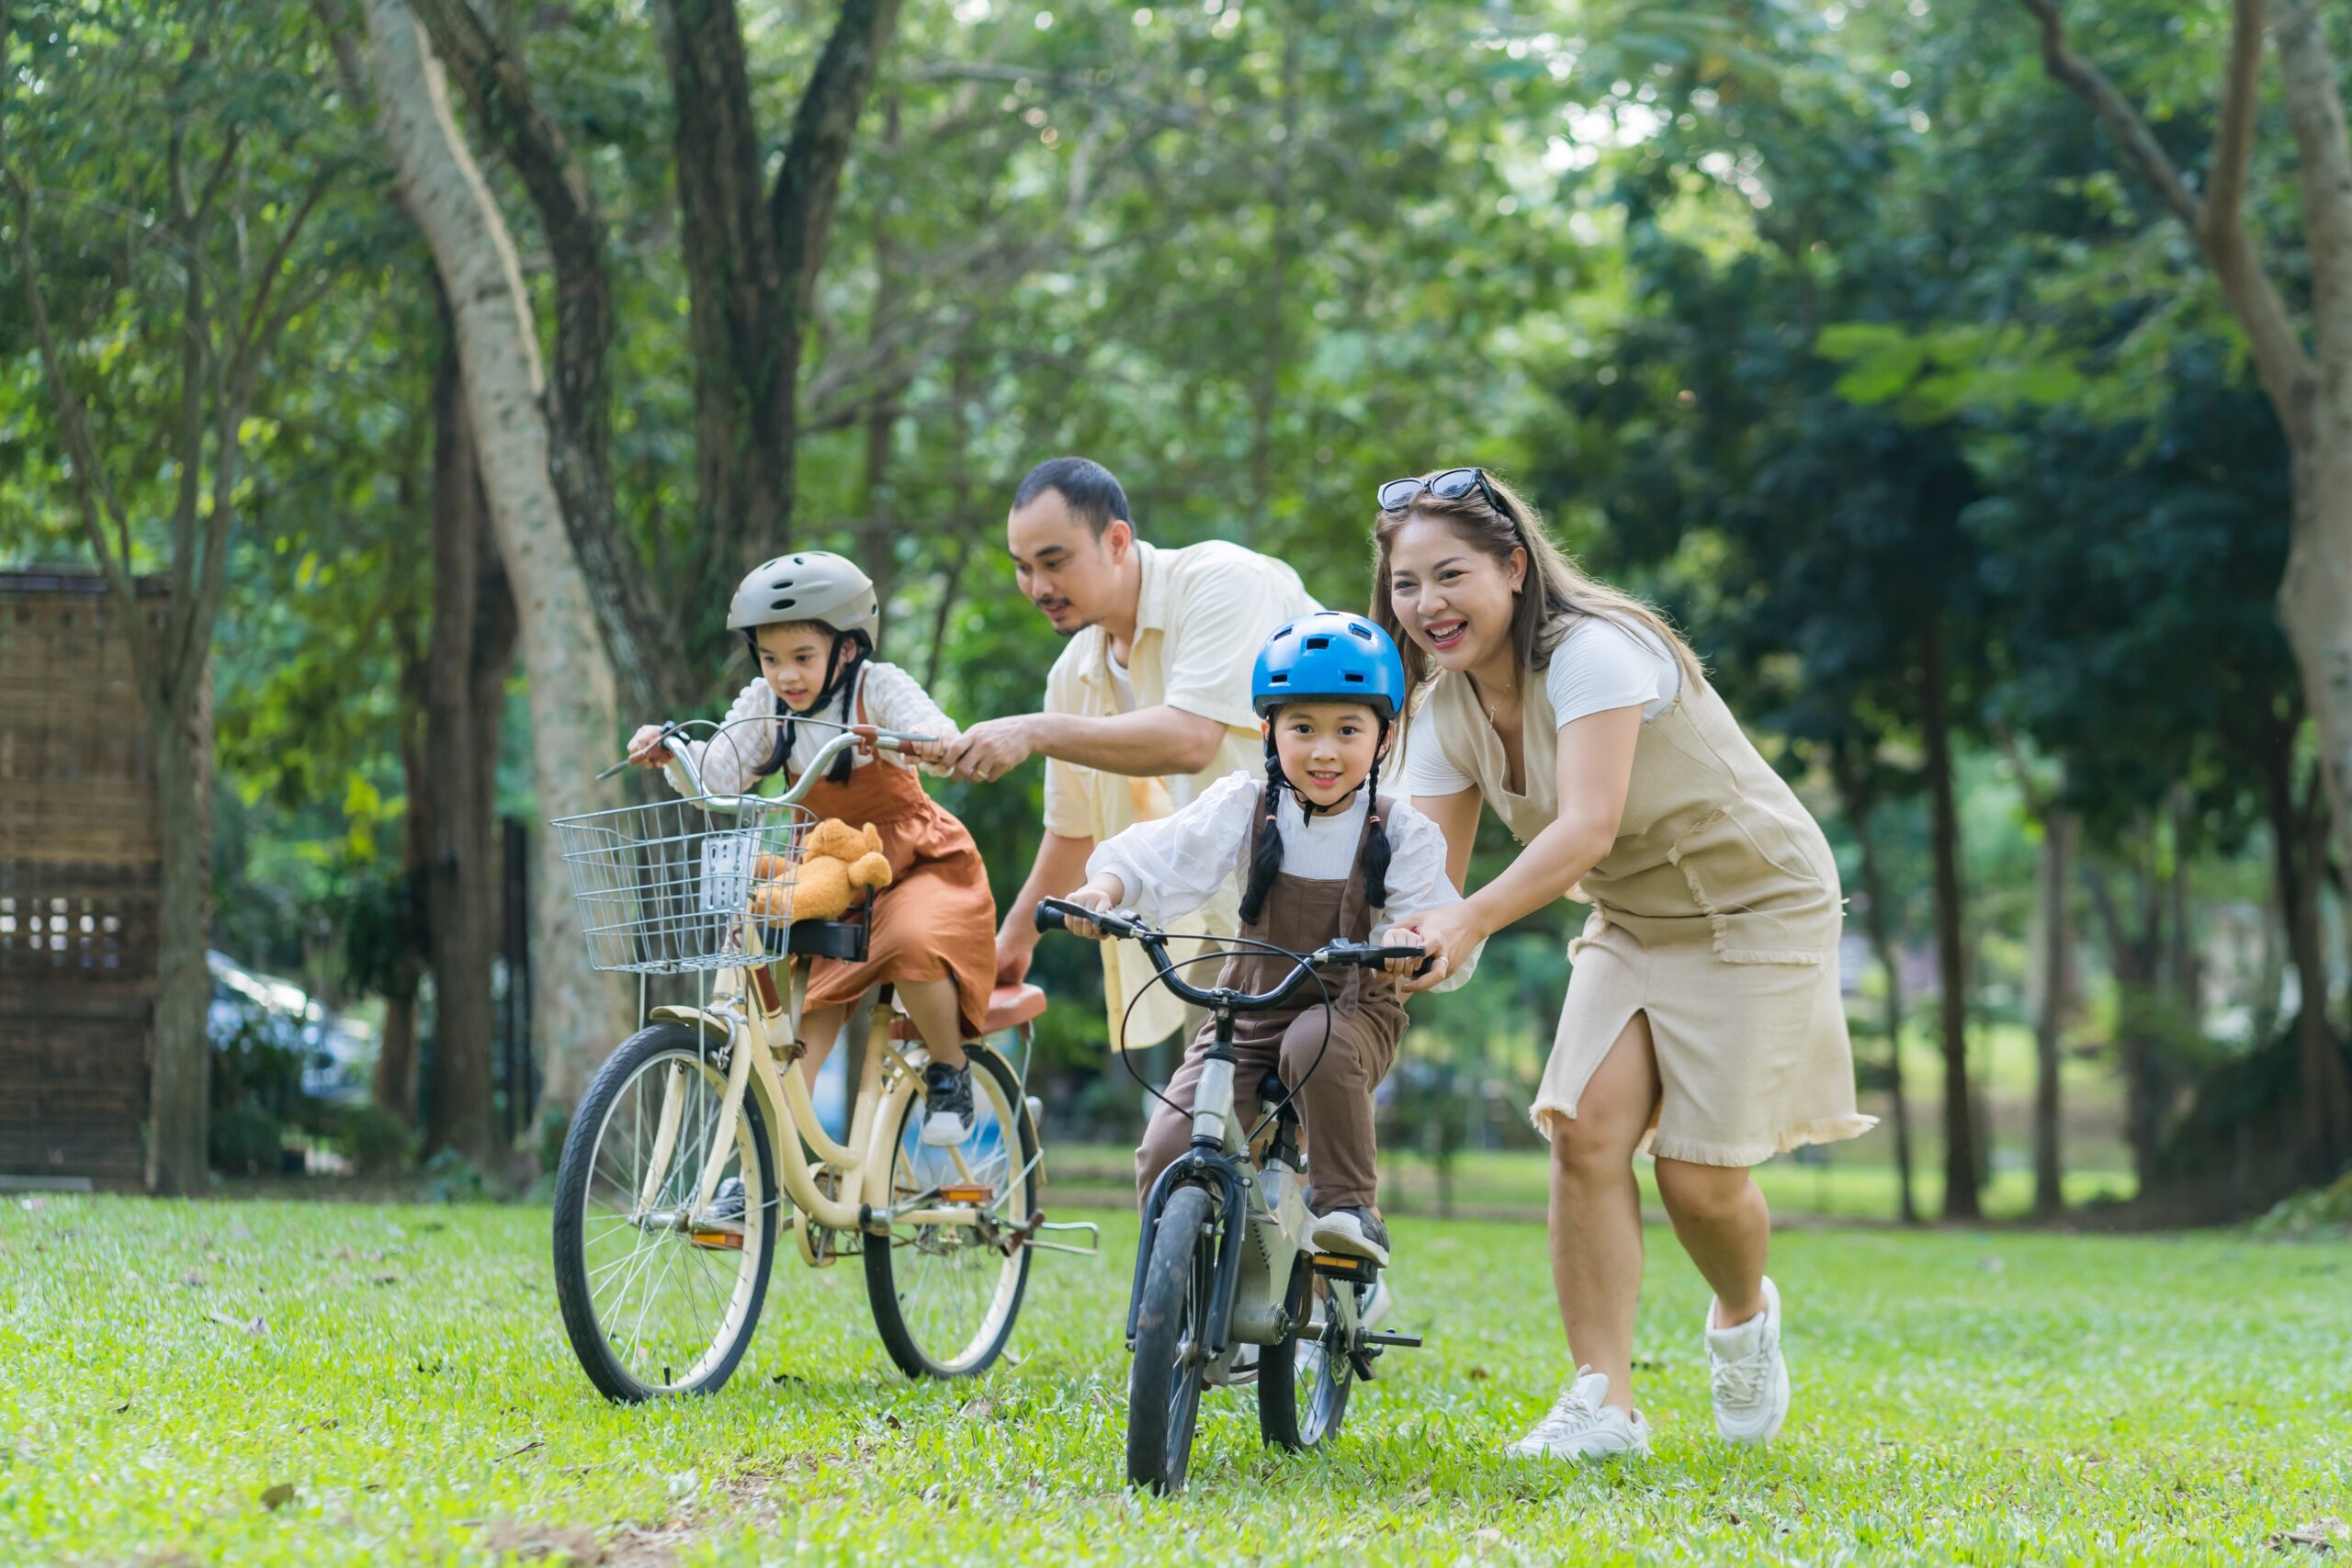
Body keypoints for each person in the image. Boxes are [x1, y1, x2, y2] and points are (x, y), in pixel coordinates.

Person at [1373, 468, 1872, 1461]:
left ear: (1514, 568)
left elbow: (1588, 824)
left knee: (1697, 1177)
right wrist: (1405, 939)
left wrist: (1469, 923)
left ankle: (1742, 1316)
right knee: (1583, 1135)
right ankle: (1602, 1401)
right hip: (1634, 918)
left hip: (1755, 906)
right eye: (1403, 584)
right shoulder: (1443, 714)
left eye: (1451, 575)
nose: (1426, 605)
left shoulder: (1595, 653)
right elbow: (1428, 875)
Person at [1059, 613, 1480, 1267]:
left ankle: (1348, 1208)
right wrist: (1105, 890)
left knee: (1314, 1039)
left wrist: (1411, 937)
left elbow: (1438, 920)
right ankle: (1170, 1304)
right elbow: (1159, 853)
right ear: (1268, 731)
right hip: (1247, 1009)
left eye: (1348, 730)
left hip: (1351, 1010)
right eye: (1302, 728)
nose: (1323, 751)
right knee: (1169, 1144)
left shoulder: (1403, 832)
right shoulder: (1244, 806)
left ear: (1384, 737)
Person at [627, 552, 997, 1148]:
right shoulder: (767, 704)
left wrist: (933, 743)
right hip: (829, 870)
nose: (786, 676)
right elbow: (720, 776)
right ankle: (763, 1166)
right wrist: (675, 752)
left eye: (802, 657)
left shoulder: (875, 688)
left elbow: (928, 724)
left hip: (910, 858)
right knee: (803, 1020)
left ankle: (949, 1069)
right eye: (771, 658)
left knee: (911, 941)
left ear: (847, 649)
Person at [951, 457, 1317, 1058]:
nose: (1038, 587)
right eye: (1023, 567)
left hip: (1325, 893)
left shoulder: (1224, 581)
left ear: (1116, 540)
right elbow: (1072, 831)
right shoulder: (1074, 674)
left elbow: (1191, 736)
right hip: (1219, 914)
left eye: (1054, 561)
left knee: (1298, 1113)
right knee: (1195, 1138)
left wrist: (1035, 732)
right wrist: (1013, 939)